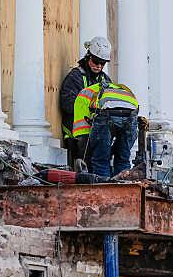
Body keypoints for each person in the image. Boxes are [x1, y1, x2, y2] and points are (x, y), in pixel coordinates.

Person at [60, 36, 112, 166]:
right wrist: (91, 110)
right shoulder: (75, 76)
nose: (99, 66)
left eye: (102, 63)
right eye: (96, 61)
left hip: (98, 132)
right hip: (77, 135)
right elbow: (67, 104)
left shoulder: (105, 81)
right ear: (88, 56)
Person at [72, 80, 140, 178]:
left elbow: (85, 126)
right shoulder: (122, 90)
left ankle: (103, 184)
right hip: (131, 116)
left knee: (101, 159)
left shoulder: (87, 93)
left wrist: (91, 145)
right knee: (123, 159)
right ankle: (123, 184)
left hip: (106, 115)